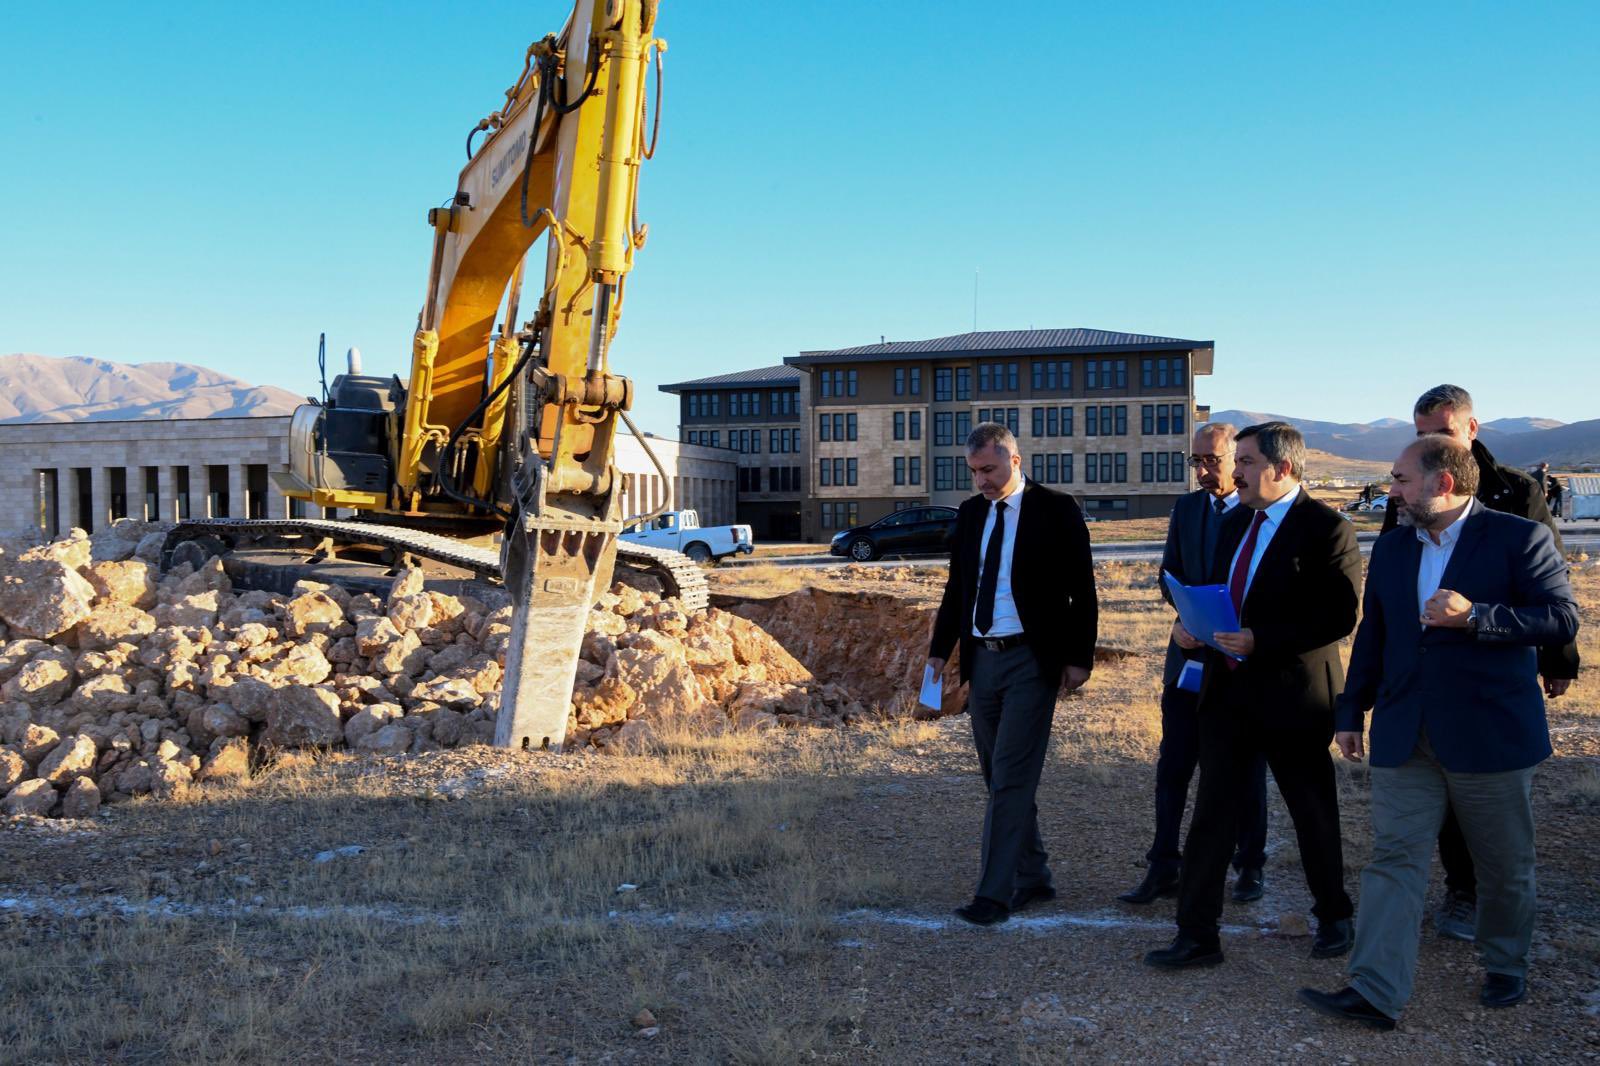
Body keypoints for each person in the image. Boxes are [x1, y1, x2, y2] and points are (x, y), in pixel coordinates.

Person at [1298, 436, 1579, 1029]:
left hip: (1490, 735)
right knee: (1394, 858)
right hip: (1406, 732)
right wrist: (1352, 711)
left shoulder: (1516, 537)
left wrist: (1475, 616)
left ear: (1442, 483)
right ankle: (1375, 989)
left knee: (1502, 864)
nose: (1390, 491)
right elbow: (1375, 633)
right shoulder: (1396, 547)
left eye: (1400, 480)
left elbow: (1560, 618)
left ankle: (1506, 963)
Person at [1144, 421, 1359, 969]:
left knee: (1310, 810)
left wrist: (1264, 639)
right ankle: (1197, 935)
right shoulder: (1237, 521)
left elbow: (1337, 615)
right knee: (1213, 814)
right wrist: (1191, 622)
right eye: (1234, 461)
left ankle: (1334, 915)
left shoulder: (1326, 527)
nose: (1233, 472)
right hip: (1227, 693)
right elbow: (1218, 589)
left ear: (1281, 468)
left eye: (1243, 461)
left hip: (1293, 698)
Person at [1380, 385, 1578, 941]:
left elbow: (1551, 589)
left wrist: (1557, 660)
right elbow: (1389, 605)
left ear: (1470, 429)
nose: (1431, 440)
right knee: (1430, 811)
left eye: (1441, 430)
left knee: (1494, 821)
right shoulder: (1409, 501)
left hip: (1491, 683)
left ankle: (1501, 936)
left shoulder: (1516, 493)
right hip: (1423, 692)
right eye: (1422, 434)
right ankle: (1460, 892)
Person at [928, 422, 1098, 926]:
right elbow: (959, 586)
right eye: (974, 471)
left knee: (1012, 776)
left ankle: (994, 894)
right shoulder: (971, 513)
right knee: (996, 775)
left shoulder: (1057, 509)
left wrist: (1078, 658)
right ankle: (1036, 874)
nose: (981, 480)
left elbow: (1081, 590)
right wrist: (941, 652)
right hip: (983, 659)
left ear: (1015, 461)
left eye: (989, 469)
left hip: (1032, 659)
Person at [1120, 422, 1270, 906]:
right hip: (1186, 657)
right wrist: (1182, 615)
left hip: (1239, 665)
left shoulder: (1257, 515)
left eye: (1213, 461)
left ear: (1239, 461)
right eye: (1197, 462)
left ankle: (1249, 864)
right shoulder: (1186, 509)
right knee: (1173, 768)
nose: (1204, 470)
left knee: (1243, 770)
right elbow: (1170, 574)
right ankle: (1163, 863)